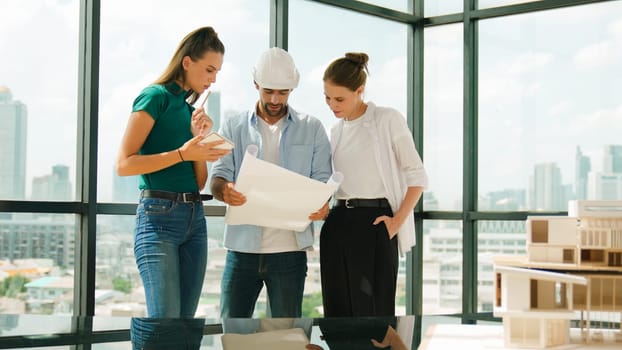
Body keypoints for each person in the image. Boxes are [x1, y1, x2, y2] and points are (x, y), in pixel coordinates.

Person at [116, 26, 230, 318]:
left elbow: (200, 182)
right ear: (187, 62)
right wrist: (182, 153)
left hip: (195, 219)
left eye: (216, 72)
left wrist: (199, 141)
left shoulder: (190, 112)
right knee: (165, 325)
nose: (212, 79)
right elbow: (124, 164)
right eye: (208, 69)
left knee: (185, 325)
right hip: (158, 219)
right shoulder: (155, 97)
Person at [210, 47, 332, 318]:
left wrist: (323, 204)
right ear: (256, 85)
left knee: (287, 337)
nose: (276, 99)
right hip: (242, 251)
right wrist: (224, 190)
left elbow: (323, 180)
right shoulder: (234, 126)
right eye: (269, 91)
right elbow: (217, 176)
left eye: (283, 92)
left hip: (289, 254)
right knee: (233, 335)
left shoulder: (312, 128)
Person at [320, 52, 428, 317]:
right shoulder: (336, 131)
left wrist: (396, 221)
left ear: (360, 90)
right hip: (338, 222)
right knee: (337, 310)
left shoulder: (387, 119)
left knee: (374, 313)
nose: (332, 105)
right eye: (327, 97)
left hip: (375, 223)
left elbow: (418, 176)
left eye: (339, 99)